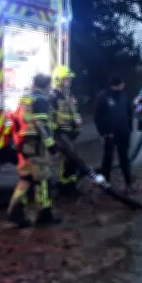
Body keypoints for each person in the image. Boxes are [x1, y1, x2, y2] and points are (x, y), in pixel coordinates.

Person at [7, 73, 61, 228]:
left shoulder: (25, 99)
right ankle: (45, 214)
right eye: (49, 86)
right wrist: (51, 146)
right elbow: (41, 125)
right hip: (37, 146)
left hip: (24, 145)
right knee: (42, 179)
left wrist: (18, 143)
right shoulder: (41, 100)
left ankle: (15, 211)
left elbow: (16, 122)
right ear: (46, 86)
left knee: (26, 179)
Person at [94, 74, 134, 193]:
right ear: (117, 84)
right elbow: (98, 117)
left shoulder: (124, 96)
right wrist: (103, 133)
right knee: (107, 159)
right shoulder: (103, 97)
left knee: (124, 158)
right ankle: (105, 184)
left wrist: (129, 129)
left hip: (123, 133)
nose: (124, 85)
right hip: (109, 134)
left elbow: (129, 113)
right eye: (122, 83)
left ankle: (128, 184)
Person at [49, 65, 83, 197]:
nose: (69, 81)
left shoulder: (69, 95)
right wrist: (55, 136)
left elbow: (74, 111)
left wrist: (78, 121)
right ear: (59, 80)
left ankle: (71, 187)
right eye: (67, 79)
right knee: (66, 161)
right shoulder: (54, 97)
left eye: (69, 79)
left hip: (71, 133)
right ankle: (63, 188)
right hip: (61, 134)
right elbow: (51, 117)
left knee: (72, 162)